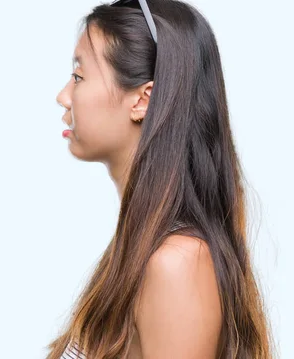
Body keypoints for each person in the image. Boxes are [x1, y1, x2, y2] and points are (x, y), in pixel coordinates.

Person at [48, 0, 275, 358]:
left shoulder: (177, 263)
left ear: (142, 100)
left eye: (79, 77)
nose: (63, 96)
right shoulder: (139, 250)